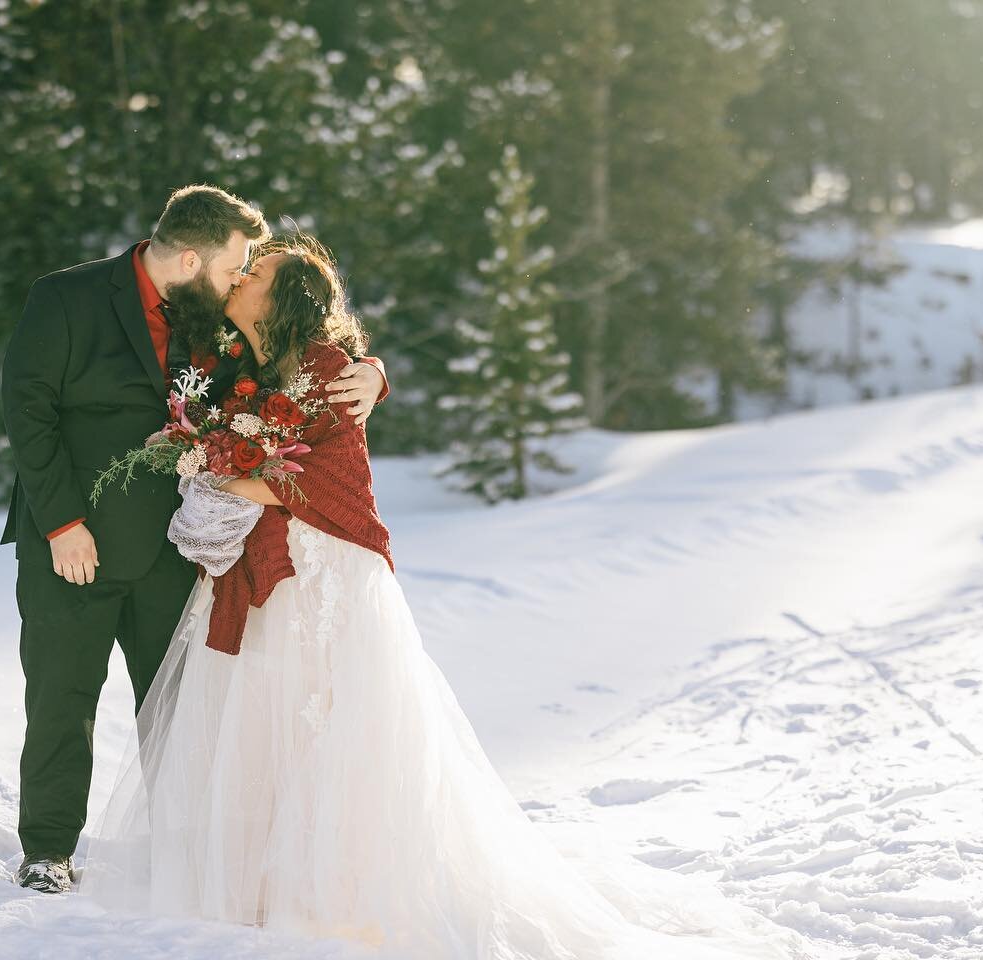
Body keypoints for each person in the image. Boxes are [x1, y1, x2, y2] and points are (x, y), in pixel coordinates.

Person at [76, 239, 812, 960]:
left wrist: (229, 474)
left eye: (257, 270)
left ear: (286, 298)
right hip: (252, 572)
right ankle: (251, 883)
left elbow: (327, 477)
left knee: (326, 730)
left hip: (320, 574)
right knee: (253, 727)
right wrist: (212, 456)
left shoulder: (329, 370)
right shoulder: (234, 357)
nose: (240, 278)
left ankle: (325, 893)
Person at [0, 186, 390, 892]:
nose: (239, 280)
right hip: (71, 543)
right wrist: (61, 524)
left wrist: (373, 373)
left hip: (174, 549)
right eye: (233, 267)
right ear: (187, 258)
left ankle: (187, 852)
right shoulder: (64, 299)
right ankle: (48, 851)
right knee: (61, 696)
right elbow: (27, 414)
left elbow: (296, 362)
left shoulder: (214, 316)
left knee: (180, 711)